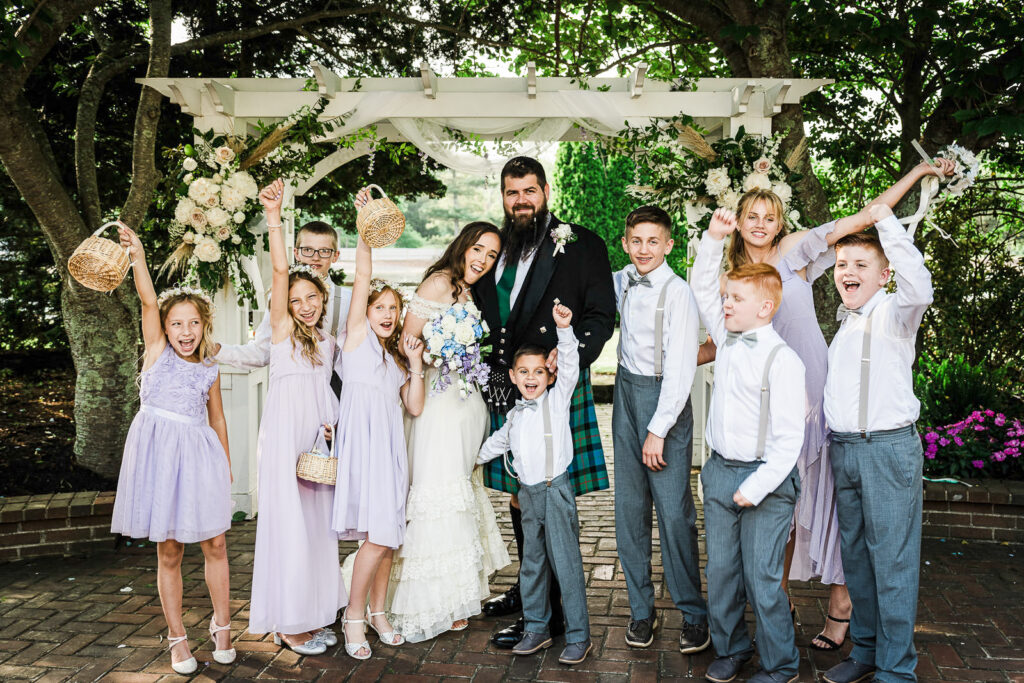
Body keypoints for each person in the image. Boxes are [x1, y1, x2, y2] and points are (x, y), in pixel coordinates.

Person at [699, 157, 956, 650]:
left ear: (780, 222)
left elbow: (866, 216)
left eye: (770, 216)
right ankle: (779, 597)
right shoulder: (726, 274)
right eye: (751, 215)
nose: (760, 224)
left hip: (815, 390)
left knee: (831, 499)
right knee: (780, 502)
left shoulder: (796, 249)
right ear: (737, 219)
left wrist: (921, 171)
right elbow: (724, 339)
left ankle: (841, 609)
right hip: (762, 405)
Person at [472, 156, 615, 648]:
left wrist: (567, 355)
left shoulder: (580, 243)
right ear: (504, 196)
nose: (521, 201)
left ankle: (553, 612)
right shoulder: (498, 247)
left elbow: (601, 313)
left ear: (546, 190)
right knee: (519, 492)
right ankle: (529, 589)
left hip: (552, 383)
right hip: (507, 381)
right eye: (512, 193)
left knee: (552, 494)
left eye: (529, 191)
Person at [110, 225, 234, 674]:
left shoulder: (209, 367)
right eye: (176, 323)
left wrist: (225, 461)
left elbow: (217, 417)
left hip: (201, 455)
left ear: (204, 326)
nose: (185, 331)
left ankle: (222, 626)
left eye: (193, 323)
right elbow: (147, 299)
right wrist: (137, 255)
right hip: (161, 459)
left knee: (216, 541)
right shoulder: (158, 352)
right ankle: (178, 638)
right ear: (163, 328)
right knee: (170, 551)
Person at [692, 209, 806, 683]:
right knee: (720, 573)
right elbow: (702, 286)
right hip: (720, 471)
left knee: (762, 579)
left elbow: (788, 441)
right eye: (727, 298)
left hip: (767, 479)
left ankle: (781, 664)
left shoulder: (784, 361)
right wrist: (713, 239)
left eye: (735, 299)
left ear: (764, 307)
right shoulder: (728, 337)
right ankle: (732, 647)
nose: (725, 305)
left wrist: (755, 487)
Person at [384, 220, 511, 642]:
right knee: (437, 497)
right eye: (479, 249)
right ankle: (430, 600)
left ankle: (457, 594)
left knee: (458, 494)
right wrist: (441, 355)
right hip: (438, 407)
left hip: (467, 405)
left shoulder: (471, 291)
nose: (483, 260)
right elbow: (407, 341)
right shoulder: (439, 282)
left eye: (492, 255)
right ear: (462, 245)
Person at [821, 204, 933, 683]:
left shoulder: (895, 313)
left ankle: (895, 669)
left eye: (860, 265)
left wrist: (885, 221)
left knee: (891, 564)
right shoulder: (847, 323)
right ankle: (865, 653)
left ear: (884, 275)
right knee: (859, 563)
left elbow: (920, 286)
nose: (848, 272)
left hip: (886, 453)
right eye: (842, 265)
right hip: (844, 451)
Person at [248, 179, 346, 657]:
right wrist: (274, 215)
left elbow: (327, 390)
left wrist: (332, 425)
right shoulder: (283, 333)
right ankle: (287, 622)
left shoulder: (325, 342)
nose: (305, 306)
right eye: (296, 299)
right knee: (287, 524)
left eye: (313, 300)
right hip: (285, 437)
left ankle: (311, 614)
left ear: (322, 303)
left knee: (314, 528)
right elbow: (282, 268)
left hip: (314, 443)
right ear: (284, 305)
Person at [611, 205, 708, 652]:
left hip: (663, 399)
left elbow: (683, 367)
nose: (644, 249)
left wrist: (659, 429)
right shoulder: (621, 280)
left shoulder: (679, 293)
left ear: (668, 245)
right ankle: (641, 612)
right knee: (629, 512)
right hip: (625, 394)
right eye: (637, 240)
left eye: (654, 241)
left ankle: (693, 614)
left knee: (673, 515)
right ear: (626, 242)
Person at [477, 302, 593, 666]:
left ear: (550, 376)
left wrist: (564, 330)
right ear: (512, 376)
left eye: (538, 372)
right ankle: (537, 628)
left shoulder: (556, 402)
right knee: (532, 564)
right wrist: (468, 459)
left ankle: (578, 636)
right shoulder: (514, 415)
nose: (531, 378)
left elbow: (571, 363)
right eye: (523, 372)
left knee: (566, 564)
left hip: (554, 491)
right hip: (528, 496)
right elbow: (496, 443)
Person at [331, 229, 426, 660]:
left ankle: (378, 611)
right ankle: (354, 615)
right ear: (366, 310)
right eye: (380, 306)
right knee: (377, 535)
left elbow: (415, 406)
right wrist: (364, 230)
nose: (387, 314)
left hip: (390, 452)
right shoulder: (355, 341)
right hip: (362, 449)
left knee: (389, 536)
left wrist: (417, 364)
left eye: (393, 308)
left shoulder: (395, 359)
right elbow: (363, 273)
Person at [215, 220, 352, 386]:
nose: (315, 257)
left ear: (335, 256)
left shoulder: (347, 300)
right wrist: (218, 351)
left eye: (324, 251)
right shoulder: (280, 298)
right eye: (308, 250)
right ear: (296, 253)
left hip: (335, 395)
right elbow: (262, 352)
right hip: (289, 393)